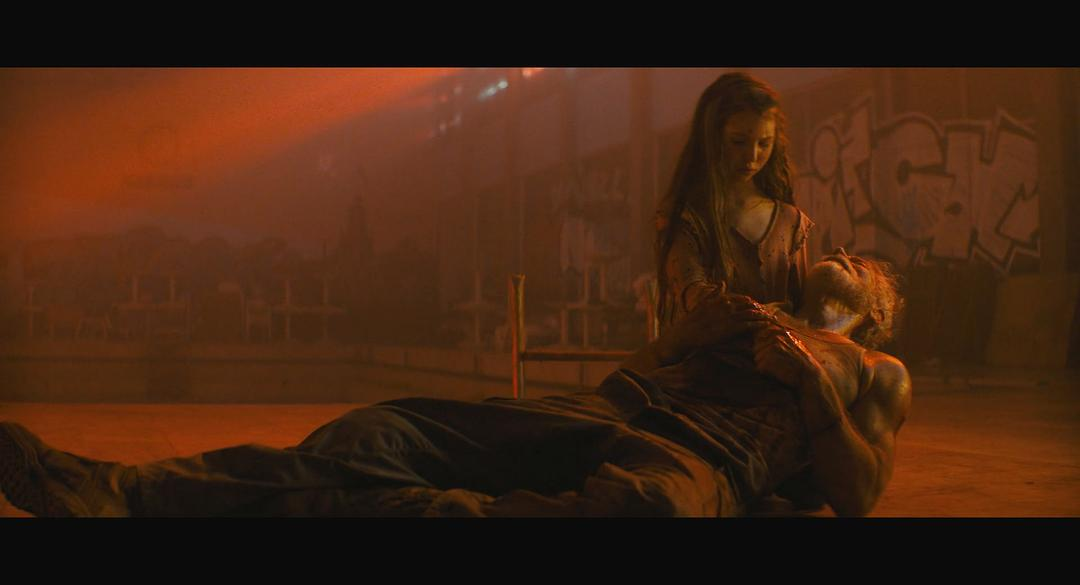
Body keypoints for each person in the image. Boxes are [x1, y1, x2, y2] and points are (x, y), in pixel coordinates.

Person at [0, 250, 909, 517]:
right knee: (381, 430)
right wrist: (678, 337)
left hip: (698, 458)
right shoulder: (747, 315)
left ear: (874, 310)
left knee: (648, 515)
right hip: (606, 410)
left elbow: (859, 495)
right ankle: (115, 488)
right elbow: (621, 382)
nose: (837, 253)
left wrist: (812, 387)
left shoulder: (875, 371)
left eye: (857, 261)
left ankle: (381, 510)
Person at [656, 72, 814, 330]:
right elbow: (695, 298)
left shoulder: (789, 221)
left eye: (764, 143)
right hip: (705, 353)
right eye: (738, 142)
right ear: (712, 138)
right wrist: (771, 317)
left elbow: (804, 313)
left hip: (781, 353)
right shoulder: (686, 217)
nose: (751, 156)